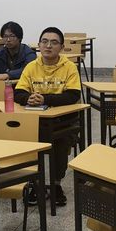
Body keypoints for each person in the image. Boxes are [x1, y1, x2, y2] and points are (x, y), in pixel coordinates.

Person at [14, 27, 81, 207]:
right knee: (25, 140)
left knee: (60, 142)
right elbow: (18, 92)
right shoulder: (31, 66)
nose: (48, 46)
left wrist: (45, 99)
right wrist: (28, 98)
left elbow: (73, 95)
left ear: (62, 47)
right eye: (44, 41)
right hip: (36, 120)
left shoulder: (69, 67)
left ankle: (56, 184)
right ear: (39, 45)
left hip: (63, 121)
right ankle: (34, 182)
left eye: (54, 42)